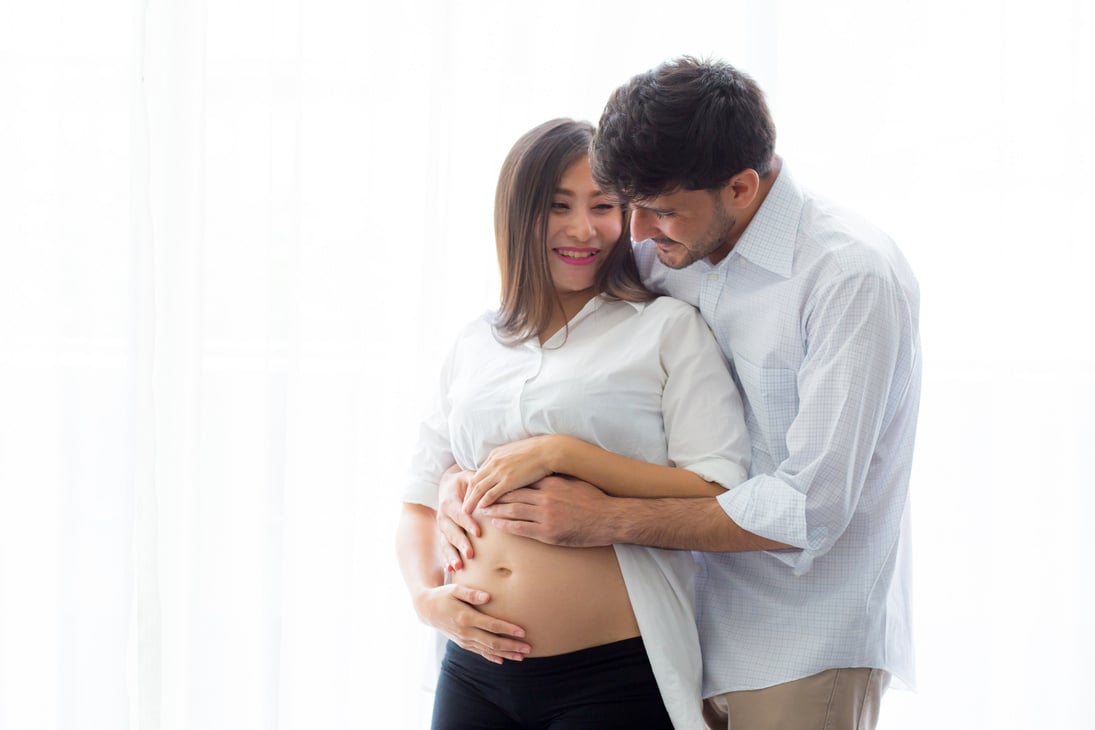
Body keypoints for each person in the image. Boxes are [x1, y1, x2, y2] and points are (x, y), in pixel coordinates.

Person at [438, 58, 921, 730]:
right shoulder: (665, 249)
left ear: (741, 188)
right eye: (626, 207)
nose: (631, 234)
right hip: (673, 637)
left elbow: (810, 507)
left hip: (797, 642)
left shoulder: (847, 277)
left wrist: (604, 517)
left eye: (658, 211)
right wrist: (456, 482)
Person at [397, 118, 751, 729]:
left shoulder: (666, 329)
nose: (584, 229)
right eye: (559, 206)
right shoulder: (476, 341)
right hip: (474, 667)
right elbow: (419, 501)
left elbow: (719, 488)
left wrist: (562, 453)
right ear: (518, 214)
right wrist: (428, 602)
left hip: (609, 676)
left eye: (604, 206)